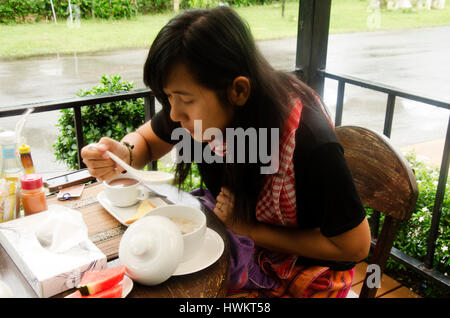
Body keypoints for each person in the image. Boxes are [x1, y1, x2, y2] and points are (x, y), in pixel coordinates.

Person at [81, 6, 371, 298]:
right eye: (168, 98)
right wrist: (125, 153)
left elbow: (354, 245)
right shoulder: (194, 113)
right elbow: (147, 140)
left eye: (183, 100)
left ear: (239, 91)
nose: (174, 113)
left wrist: (249, 229)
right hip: (240, 238)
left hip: (307, 271)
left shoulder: (308, 142)